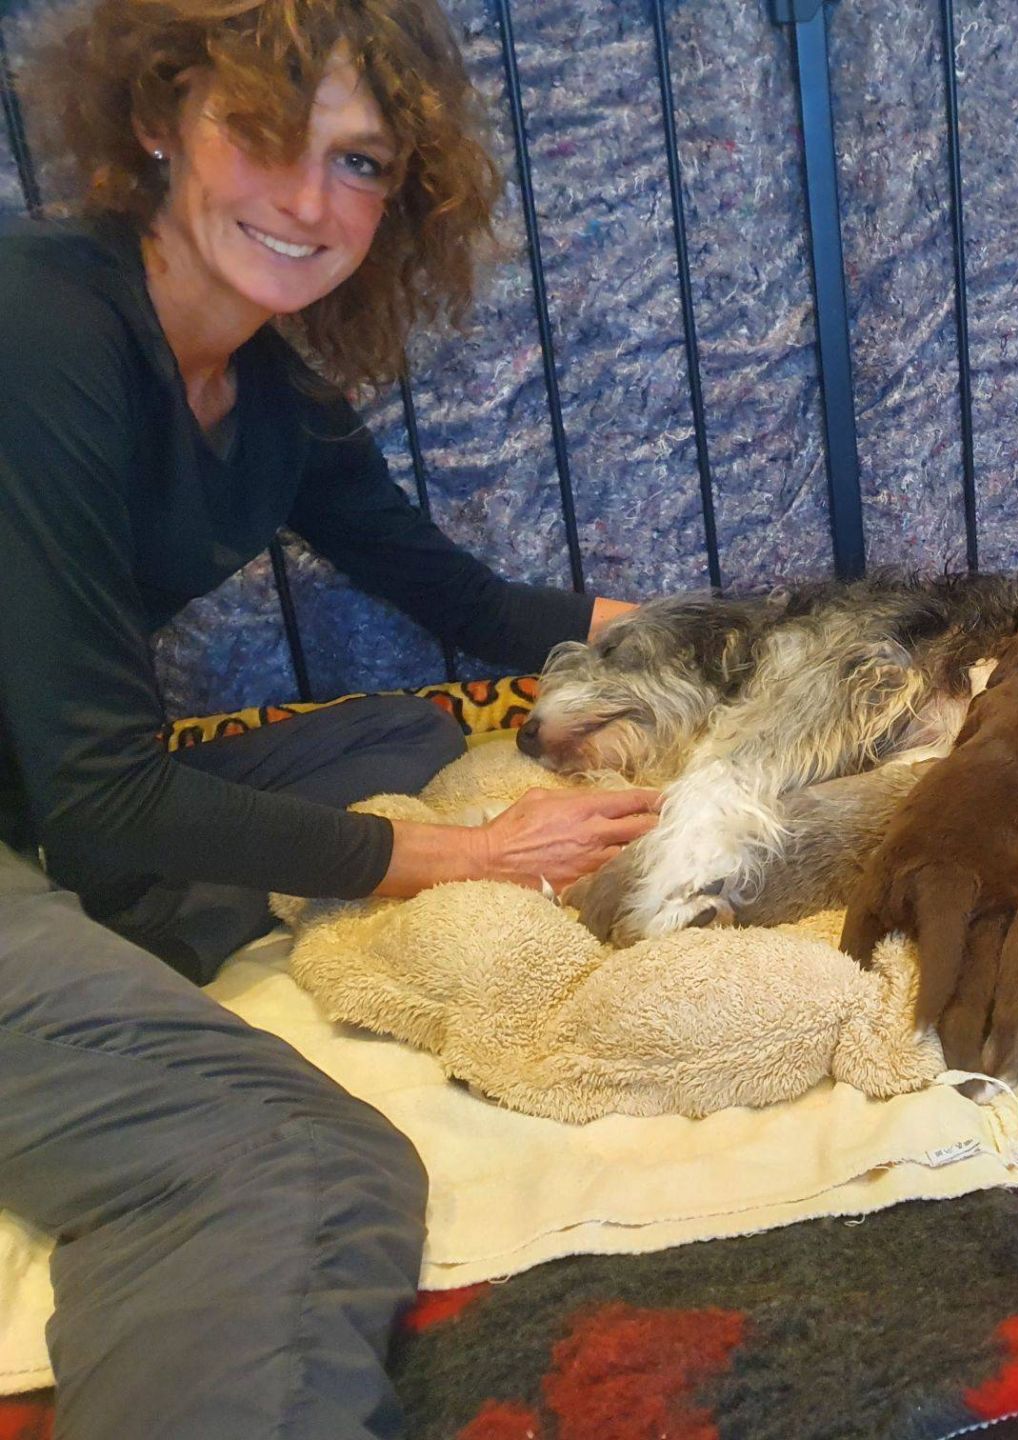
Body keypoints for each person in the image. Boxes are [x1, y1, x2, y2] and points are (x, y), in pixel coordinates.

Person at [0, 2, 661, 1435]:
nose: (310, 201)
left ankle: (92, 975)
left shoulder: (273, 396)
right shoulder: (39, 322)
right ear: (157, 121)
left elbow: (466, 601)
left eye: (359, 162)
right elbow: (106, 792)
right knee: (291, 1161)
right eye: (266, 132)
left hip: (43, 804)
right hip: (70, 803)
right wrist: (469, 860)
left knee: (409, 743)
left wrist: (737, 637)